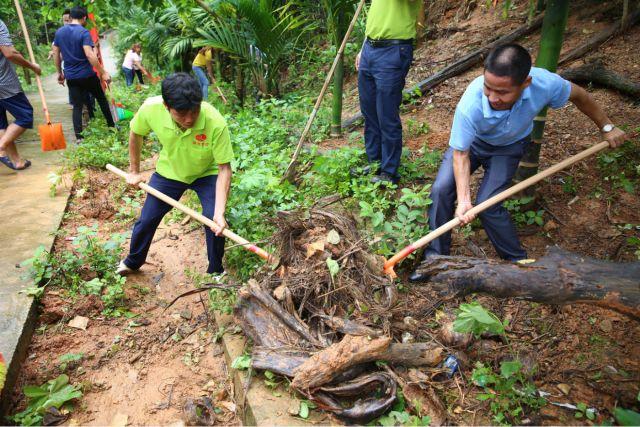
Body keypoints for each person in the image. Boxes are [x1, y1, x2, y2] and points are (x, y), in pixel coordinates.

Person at [408, 43, 627, 282]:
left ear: (525, 84)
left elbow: (580, 96)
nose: (492, 97)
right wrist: (463, 200)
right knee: (441, 190)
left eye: (502, 92)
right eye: (488, 88)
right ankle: (435, 259)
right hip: (473, 144)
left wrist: (607, 127)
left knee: (489, 203)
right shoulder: (470, 104)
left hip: (510, 147)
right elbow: (461, 154)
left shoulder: (545, 84)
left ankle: (517, 262)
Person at [116, 73, 234, 276]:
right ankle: (133, 261)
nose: (189, 119)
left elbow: (224, 168)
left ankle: (216, 271)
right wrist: (134, 171)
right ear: (166, 106)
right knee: (147, 219)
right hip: (169, 172)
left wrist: (219, 212)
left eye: (194, 111)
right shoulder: (151, 108)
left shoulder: (215, 122)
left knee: (213, 221)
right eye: (181, 113)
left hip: (207, 173)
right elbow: (136, 133)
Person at [355, 0, 422, 185]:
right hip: (370, 48)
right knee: (369, 111)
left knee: (386, 114)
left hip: (394, 49)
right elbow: (377, 16)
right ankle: (375, 162)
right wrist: (363, 49)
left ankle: (389, 172)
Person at [52, 6, 115, 142]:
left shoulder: (59, 32)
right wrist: (103, 72)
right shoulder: (83, 32)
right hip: (87, 75)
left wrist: (59, 73)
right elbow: (90, 55)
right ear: (84, 18)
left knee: (77, 106)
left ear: (71, 16)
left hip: (71, 77)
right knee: (101, 99)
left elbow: (56, 54)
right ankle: (112, 127)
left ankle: (79, 137)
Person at [0, 19, 41, 171]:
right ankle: (1, 147)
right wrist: (32, 66)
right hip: (4, 83)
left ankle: (17, 161)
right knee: (25, 115)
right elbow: (9, 53)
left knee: (1, 124)